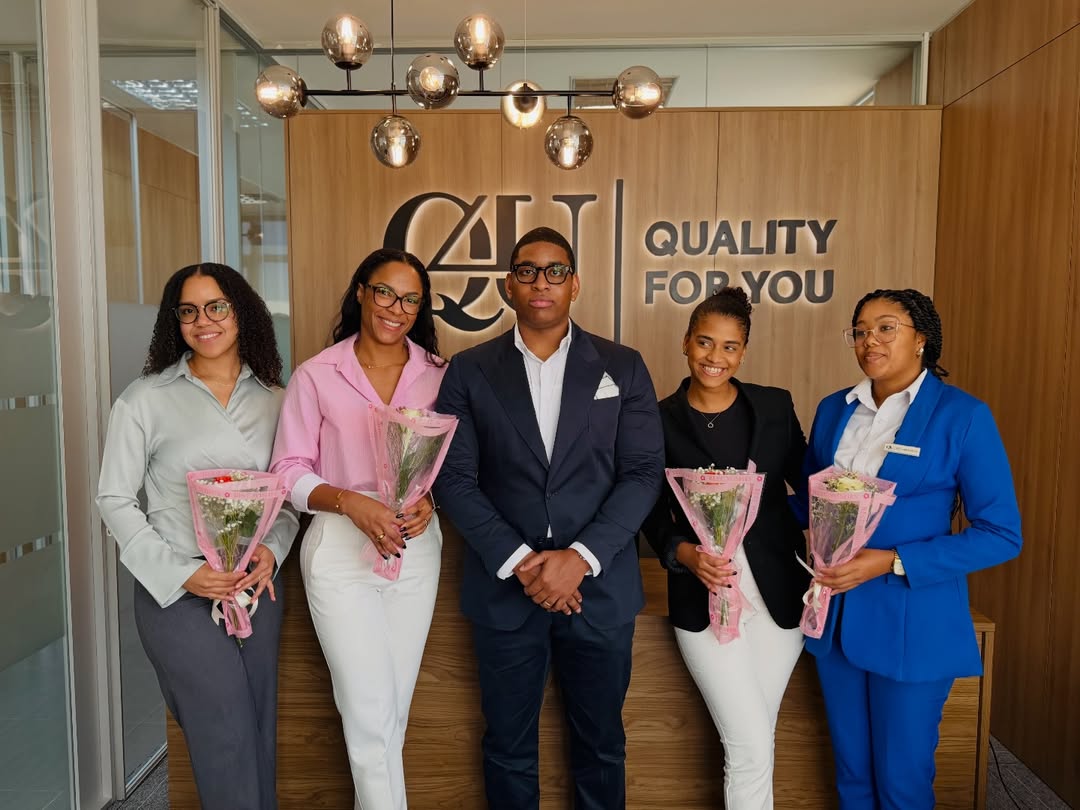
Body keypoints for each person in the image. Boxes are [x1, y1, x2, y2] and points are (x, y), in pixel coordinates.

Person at [432, 226, 664, 810]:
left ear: (575, 284)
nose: (541, 282)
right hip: (506, 591)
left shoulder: (624, 366)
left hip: (601, 590)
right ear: (509, 285)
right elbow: (454, 478)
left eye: (554, 270)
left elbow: (642, 473)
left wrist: (579, 560)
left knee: (603, 746)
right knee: (508, 747)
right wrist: (525, 564)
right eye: (527, 271)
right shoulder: (468, 370)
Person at [804, 288, 1022, 809]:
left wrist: (892, 560)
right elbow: (815, 501)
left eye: (885, 328)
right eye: (859, 330)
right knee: (852, 777)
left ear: (921, 338)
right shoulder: (835, 409)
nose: (868, 340)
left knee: (902, 782)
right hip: (836, 621)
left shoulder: (962, 416)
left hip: (912, 623)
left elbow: (1001, 533)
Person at [97, 263, 298, 810]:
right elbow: (113, 499)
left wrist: (271, 553)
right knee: (223, 731)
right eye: (188, 311)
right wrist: (184, 573)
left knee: (256, 728)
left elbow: (286, 498)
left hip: (256, 591)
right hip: (179, 591)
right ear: (174, 322)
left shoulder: (276, 399)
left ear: (242, 313)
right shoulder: (144, 399)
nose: (202, 321)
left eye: (216, 307)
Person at [269, 248, 444, 810]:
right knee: (369, 716)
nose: (397, 307)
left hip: (416, 552)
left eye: (411, 298)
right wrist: (350, 503)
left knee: (392, 711)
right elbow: (287, 471)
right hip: (339, 552)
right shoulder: (317, 374)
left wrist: (432, 502)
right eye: (386, 292)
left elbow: (458, 464)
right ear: (362, 292)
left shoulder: (440, 375)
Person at [643, 286, 808, 809]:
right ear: (686, 343)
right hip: (704, 599)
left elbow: (806, 486)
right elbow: (647, 509)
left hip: (781, 600)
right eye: (706, 343)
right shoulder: (656, 418)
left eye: (730, 347)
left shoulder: (775, 406)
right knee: (750, 742)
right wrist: (683, 554)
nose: (716, 357)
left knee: (759, 738)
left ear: (744, 352)